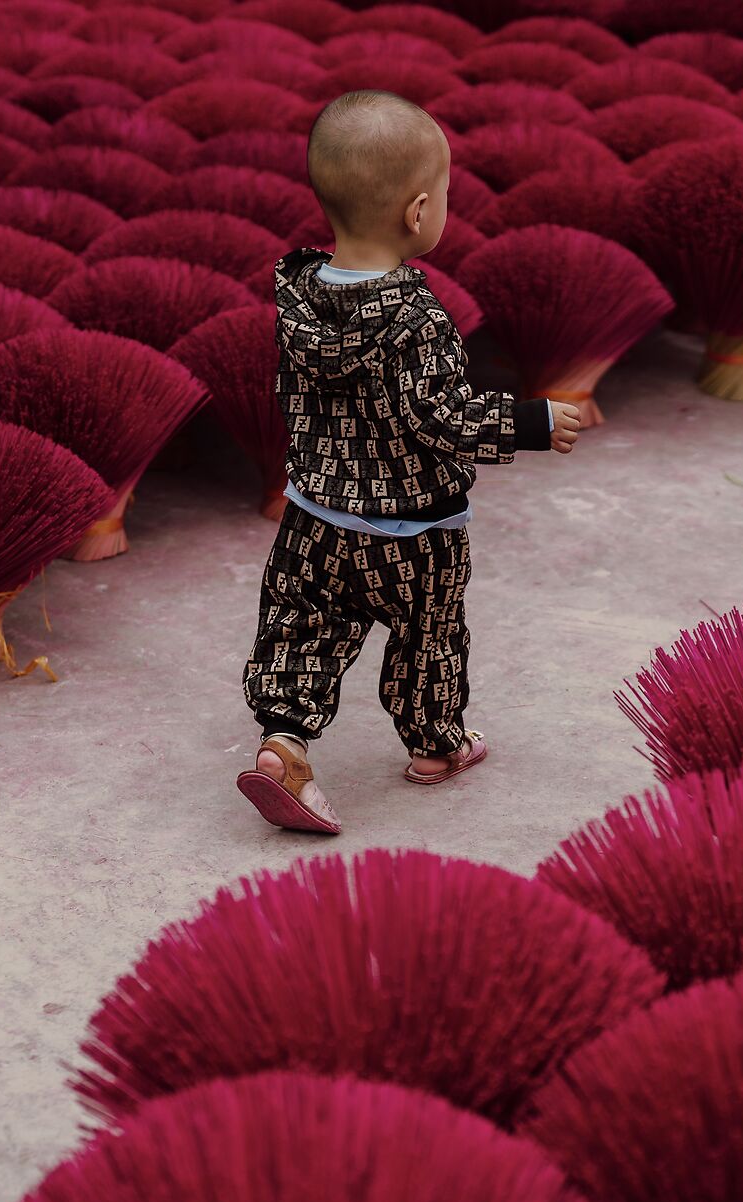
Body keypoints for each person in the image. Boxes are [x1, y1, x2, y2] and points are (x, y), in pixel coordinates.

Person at [238, 89, 581, 835]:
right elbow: (440, 417)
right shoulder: (415, 317)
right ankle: (435, 745)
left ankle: (283, 741)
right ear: (419, 212)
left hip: (313, 516)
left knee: (301, 625)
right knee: (429, 636)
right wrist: (530, 422)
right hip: (412, 530)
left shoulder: (299, 302)